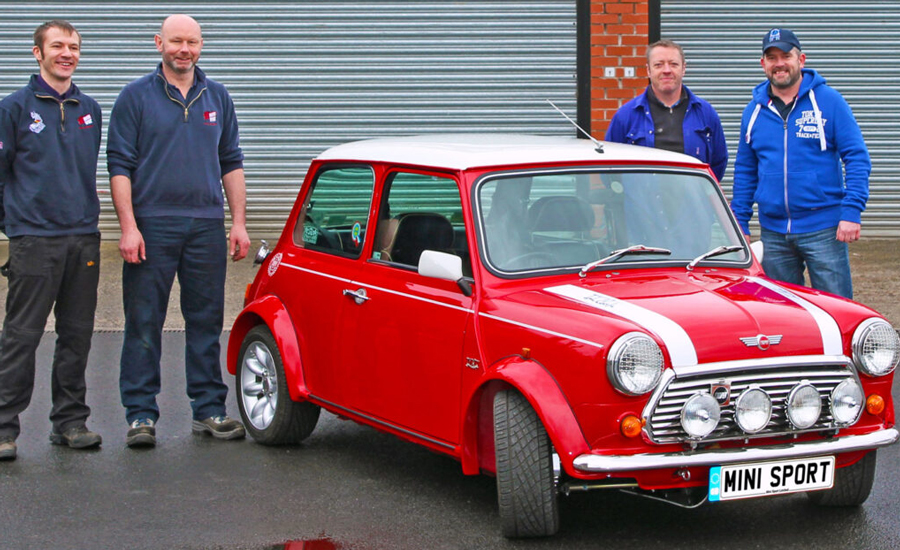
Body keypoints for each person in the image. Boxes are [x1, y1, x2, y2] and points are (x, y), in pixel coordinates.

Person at [107, 14, 250, 448]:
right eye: (175, 42)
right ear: (158, 43)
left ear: (201, 45)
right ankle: (140, 415)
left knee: (206, 320)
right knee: (144, 321)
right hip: (152, 225)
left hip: (206, 226)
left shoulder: (218, 96)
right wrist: (129, 227)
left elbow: (232, 161)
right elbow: (119, 166)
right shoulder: (134, 97)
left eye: (192, 42)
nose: (183, 49)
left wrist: (238, 222)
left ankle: (208, 409)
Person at [0, 21, 103, 461]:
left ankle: (70, 422)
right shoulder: (14, 109)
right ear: (36, 53)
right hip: (34, 242)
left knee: (77, 335)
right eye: (57, 46)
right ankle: (4, 428)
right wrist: (16, 226)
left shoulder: (91, 109)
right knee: (21, 336)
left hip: (82, 238)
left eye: (74, 46)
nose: (67, 53)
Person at [731, 28, 870, 299]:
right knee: (782, 313)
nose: (779, 63)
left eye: (786, 55)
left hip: (824, 229)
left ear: (801, 59)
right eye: (771, 57)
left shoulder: (829, 102)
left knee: (836, 309)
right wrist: (740, 223)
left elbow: (856, 156)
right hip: (772, 232)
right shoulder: (754, 111)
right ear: (763, 64)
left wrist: (851, 211)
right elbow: (745, 171)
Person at [605, 39, 728, 181]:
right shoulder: (626, 116)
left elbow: (718, 162)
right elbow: (609, 169)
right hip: (641, 203)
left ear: (683, 69)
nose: (667, 70)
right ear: (648, 71)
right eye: (659, 65)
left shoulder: (706, 114)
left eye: (673, 64)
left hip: (690, 202)